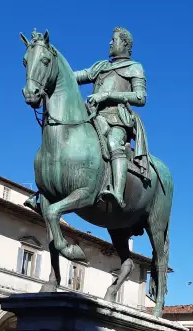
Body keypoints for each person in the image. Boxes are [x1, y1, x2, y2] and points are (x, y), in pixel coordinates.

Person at [73, 26, 150, 210]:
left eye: (113, 39)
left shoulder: (134, 67)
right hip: (94, 116)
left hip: (118, 119)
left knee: (114, 143)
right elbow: (75, 76)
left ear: (124, 43)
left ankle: (117, 192)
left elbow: (141, 97)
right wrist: (55, 68)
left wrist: (107, 95)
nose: (110, 42)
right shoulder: (101, 66)